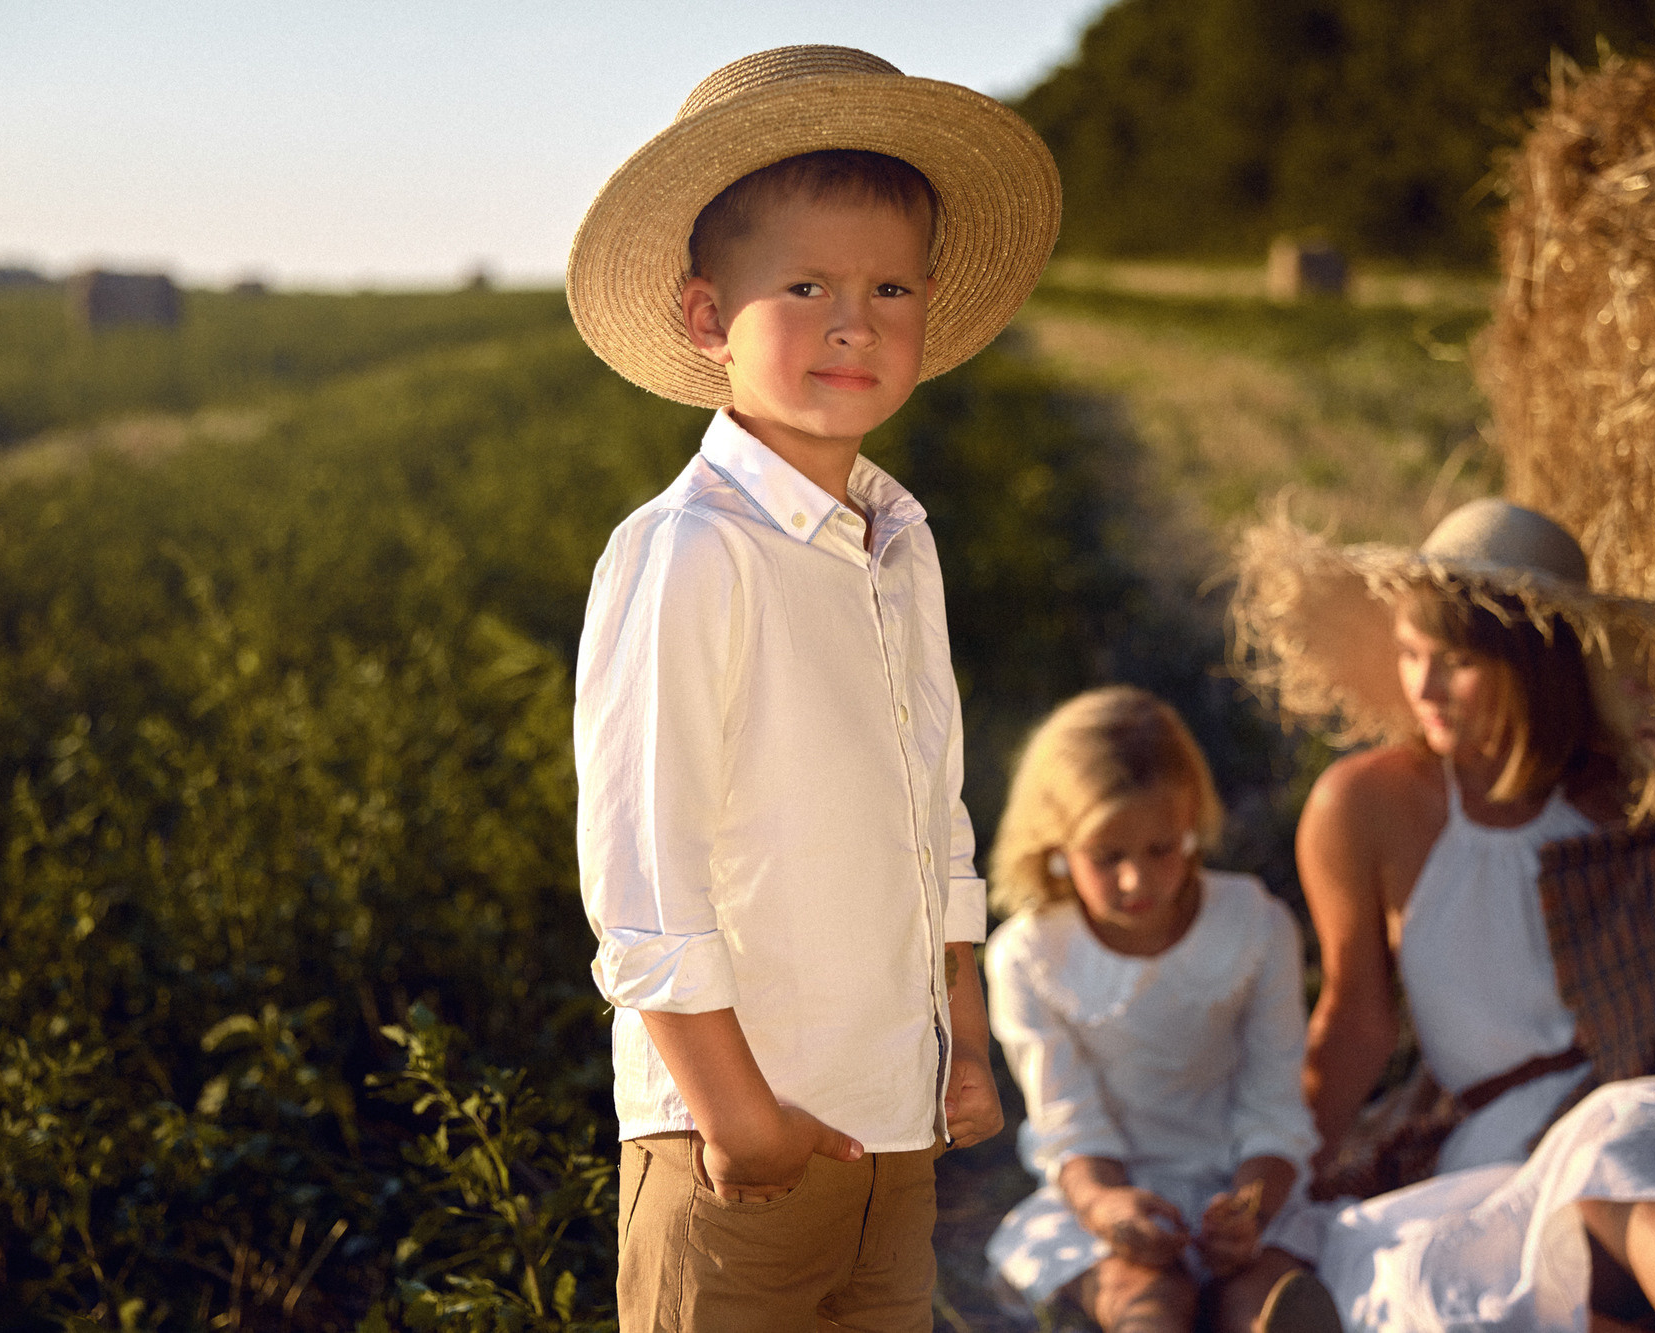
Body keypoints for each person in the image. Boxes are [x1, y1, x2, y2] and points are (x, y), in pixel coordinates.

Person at [565, 45, 1061, 1331]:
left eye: (889, 286)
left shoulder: (901, 539)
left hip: (893, 1127)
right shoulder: (688, 553)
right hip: (736, 1146)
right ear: (701, 315)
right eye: (804, 285)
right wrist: (741, 1118)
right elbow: (641, 868)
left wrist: (959, 1021)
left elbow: (931, 804)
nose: (854, 321)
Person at [1230, 497, 1655, 1332]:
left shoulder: (1614, 810)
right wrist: (1280, 1172)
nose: (1421, 684)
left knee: (1618, 1169)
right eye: (1411, 652)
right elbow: (1353, 1019)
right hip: (1501, 1153)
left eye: (1454, 661)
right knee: (1380, 1264)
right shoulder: (1369, 804)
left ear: (1533, 666)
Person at [982, 685, 1341, 1333]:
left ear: (1191, 825)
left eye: (1160, 849)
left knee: (1265, 1294)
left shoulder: (1254, 925)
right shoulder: (1030, 953)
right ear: (1057, 842)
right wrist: (1105, 1206)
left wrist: (1252, 1209)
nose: (1137, 881)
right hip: (1107, 1193)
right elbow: (1069, 1124)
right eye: (1107, 855)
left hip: (1242, 1184)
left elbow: (1275, 1105)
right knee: (1146, 1297)